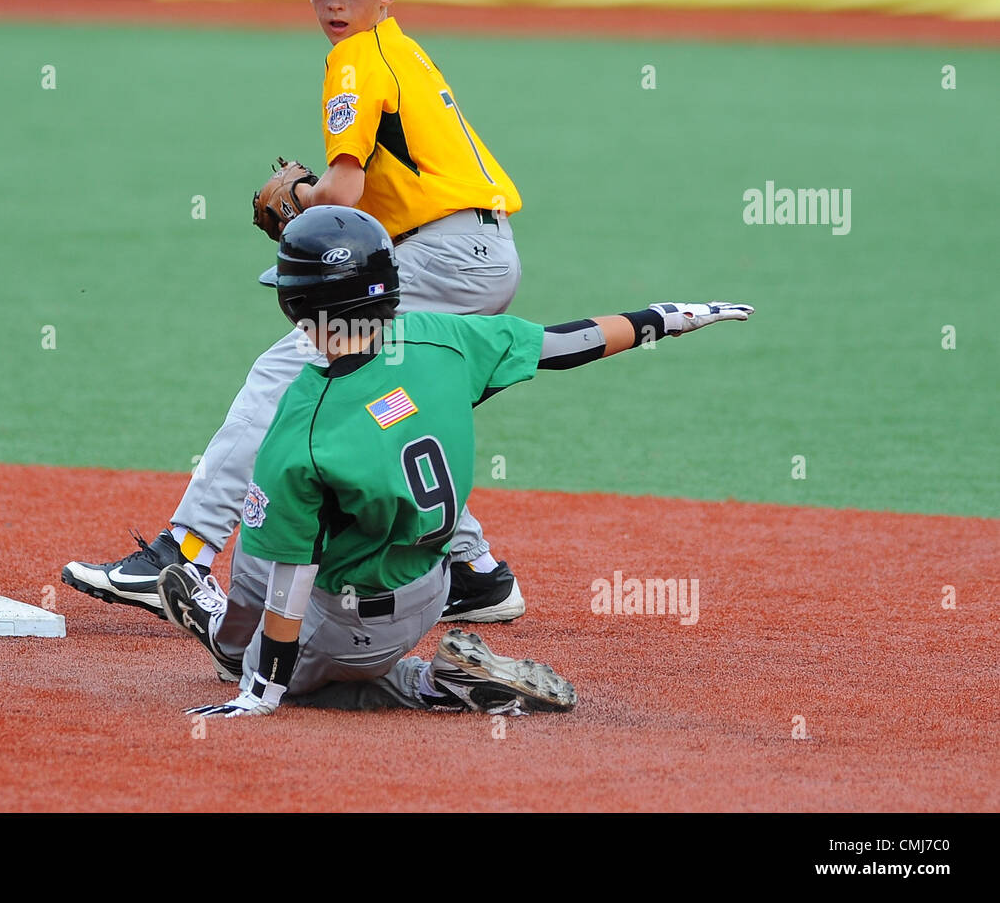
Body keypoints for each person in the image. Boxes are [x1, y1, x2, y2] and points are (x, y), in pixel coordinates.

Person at [65, 0, 533, 625]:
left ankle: (180, 554)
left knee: (285, 379)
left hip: (443, 257)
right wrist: (318, 197)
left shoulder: (354, 59)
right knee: (376, 402)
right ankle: (475, 574)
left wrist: (302, 195)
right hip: (472, 254)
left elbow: (341, 197)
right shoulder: (403, 51)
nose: (337, 2)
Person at [156, 206, 753, 716]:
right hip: (433, 586)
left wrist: (259, 693)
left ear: (296, 306)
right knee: (265, 566)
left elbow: (294, 578)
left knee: (273, 654)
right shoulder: (447, 337)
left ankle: (434, 683)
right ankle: (231, 637)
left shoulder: (302, 420)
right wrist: (668, 318)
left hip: (353, 618)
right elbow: (566, 345)